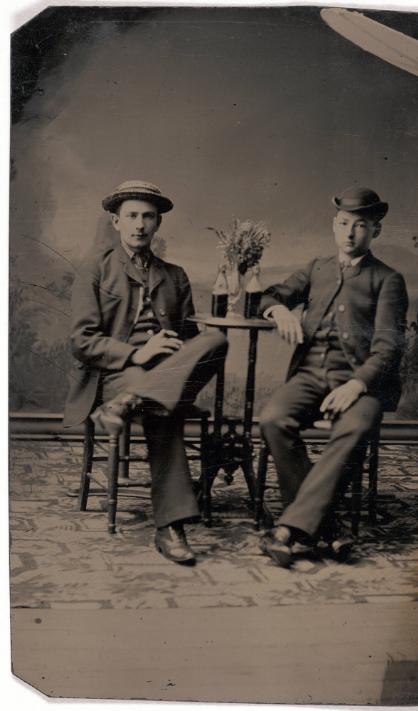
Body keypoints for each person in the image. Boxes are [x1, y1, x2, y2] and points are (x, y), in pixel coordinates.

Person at [63, 180, 228, 566]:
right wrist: (139, 352)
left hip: (165, 372)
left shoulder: (175, 275)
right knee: (164, 407)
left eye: (148, 217)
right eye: (132, 216)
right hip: (118, 373)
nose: (140, 224)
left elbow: (191, 342)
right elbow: (81, 341)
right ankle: (171, 527)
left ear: (158, 223)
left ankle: (134, 402)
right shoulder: (96, 267)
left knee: (216, 341)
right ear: (116, 221)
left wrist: (175, 352)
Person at [258, 186, 408, 567]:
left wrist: (357, 384)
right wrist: (280, 312)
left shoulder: (387, 279)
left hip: (362, 383)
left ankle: (289, 530)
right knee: (274, 419)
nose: (350, 233)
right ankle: (328, 528)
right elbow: (270, 295)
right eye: (343, 224)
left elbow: (389, 347)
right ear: (333, 225)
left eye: (360, 225)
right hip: (309, 375)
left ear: (376, 231)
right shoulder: (316, 268)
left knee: (354, 429)